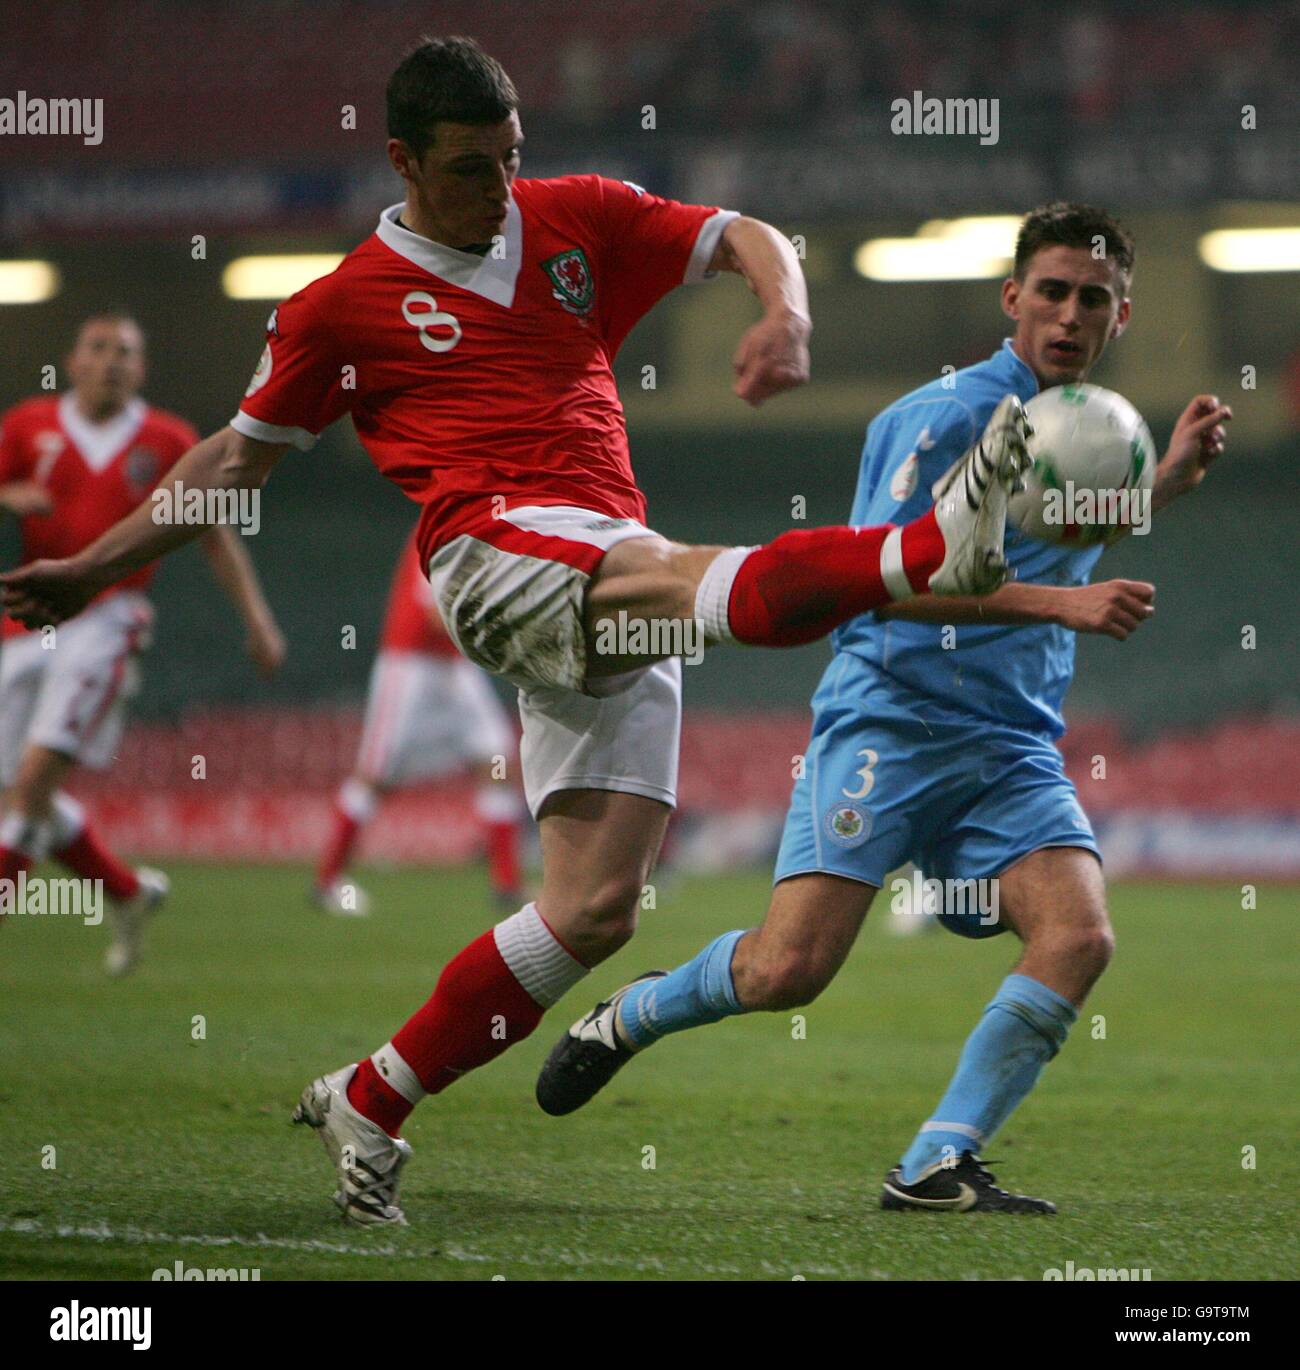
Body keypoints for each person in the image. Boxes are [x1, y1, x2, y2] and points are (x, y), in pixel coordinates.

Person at [1, 38, 1028, 1225]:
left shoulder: (572, 217)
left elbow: (744, 230)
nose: (497, 191)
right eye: (468, 170)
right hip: (491, 554)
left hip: (598, 553)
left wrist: (783, 316)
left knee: (597, 908)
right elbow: (232, 461)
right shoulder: (339, 306)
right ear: (401, 161)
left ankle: (373, 1093)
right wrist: (88, 564)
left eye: (509, 160)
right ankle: (921, 547)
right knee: (681, 577)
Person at [537, 202, 1231, 1214]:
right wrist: (1059, 603)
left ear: (1120, 314)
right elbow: (871, 577)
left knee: (1078, 936)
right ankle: (630, 1013)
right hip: (892, 719)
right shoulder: (942, 415)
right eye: (1050, 291)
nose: (1069, 313)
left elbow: (1048, 546)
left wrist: (1159, 486)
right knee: (788, 969)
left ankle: (933, 1164)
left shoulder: (1091, 429)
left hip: (1009, 741)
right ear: (1012, 299)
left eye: (1093, 298)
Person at [0, 311, 285, 974]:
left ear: (142, 368)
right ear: (72, 362)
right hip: (27, 620)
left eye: (125, 352)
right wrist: (8, 493)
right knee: (22, 793)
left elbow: (215, 533)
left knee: (35, 781)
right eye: (98, 348)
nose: (111, 362)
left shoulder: (166, 439)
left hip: (110, 618)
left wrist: (259, 621)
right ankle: (127, 893)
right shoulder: (28, 425)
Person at [313, 527, 524, 916]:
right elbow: (432, 615)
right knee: (375, 774)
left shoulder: (483, 532)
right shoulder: (441, 529)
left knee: (496, 759)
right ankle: (327, 882)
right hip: (410, 662)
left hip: (453, 664)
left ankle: (507, 886)